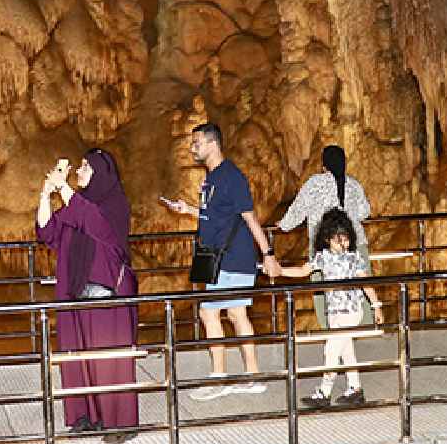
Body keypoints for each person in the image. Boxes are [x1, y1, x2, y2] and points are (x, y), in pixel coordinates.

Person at [163, 123, 279, 401]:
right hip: (219, 257)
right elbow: (215, 216)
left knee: (210, 313)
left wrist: (268, 254)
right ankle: (252, 376)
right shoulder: (212, 178)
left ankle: (220, 377)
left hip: (233, 257)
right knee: (236, 314)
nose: (193, 148)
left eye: (197, 142)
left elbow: (250, 217)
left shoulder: (231, 177)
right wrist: (188, 210)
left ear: (213, 144)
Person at [37, 149, 138, 444]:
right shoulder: (77, 204)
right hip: (75, 291)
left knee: (109, 360)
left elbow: (94, 222)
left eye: (85, 167)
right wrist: (46, 193)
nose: (79, 171)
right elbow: (47, 231)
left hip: (106, 293)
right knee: (77, 357)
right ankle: (87, 416)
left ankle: (121, 422)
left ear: (100, 172)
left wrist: (64, 188)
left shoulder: (114, 204)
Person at [278, 208, 381, 408]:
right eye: (337, 240)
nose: (343, 244)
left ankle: (324, 392)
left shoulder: (354, 257)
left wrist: (376, 305)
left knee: (331, 350)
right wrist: (281, 270)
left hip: (351, 311)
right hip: (334, 312)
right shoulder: (322, 257)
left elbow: (366, 283)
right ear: (327, 239)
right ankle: (355, 388)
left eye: (346, 239)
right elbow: (302, 271)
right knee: (346, 350)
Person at [278, 145, 371, 329]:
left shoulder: (315, 183)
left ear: (324, 165)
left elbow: (298, 210)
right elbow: (364, 212)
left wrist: (283, 225)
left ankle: (331, 329)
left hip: (325, 247)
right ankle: (365, 328)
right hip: (354, 245)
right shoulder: (353, 184)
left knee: (324, 292)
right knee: (361, 286)